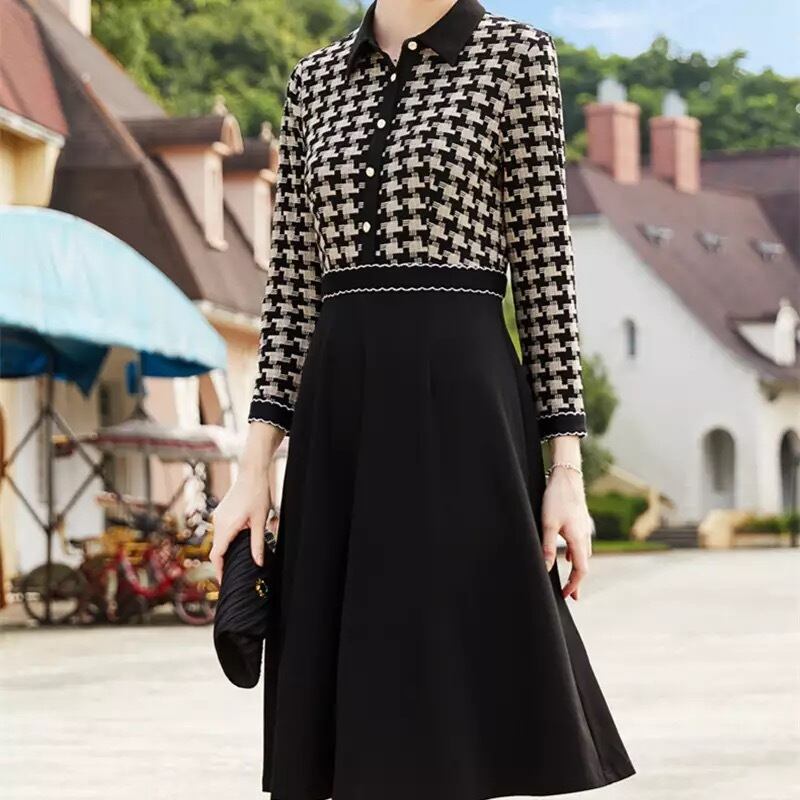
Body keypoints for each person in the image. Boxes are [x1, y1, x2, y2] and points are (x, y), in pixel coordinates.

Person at [211, 0, 637, 797]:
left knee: (453, 688)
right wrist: (253, 468)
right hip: (339, 417)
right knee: (350, 705)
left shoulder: (516, 58)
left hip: (464, 410)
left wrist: (566, 470)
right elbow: (292, 292)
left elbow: (545, 273)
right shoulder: (313, 81)